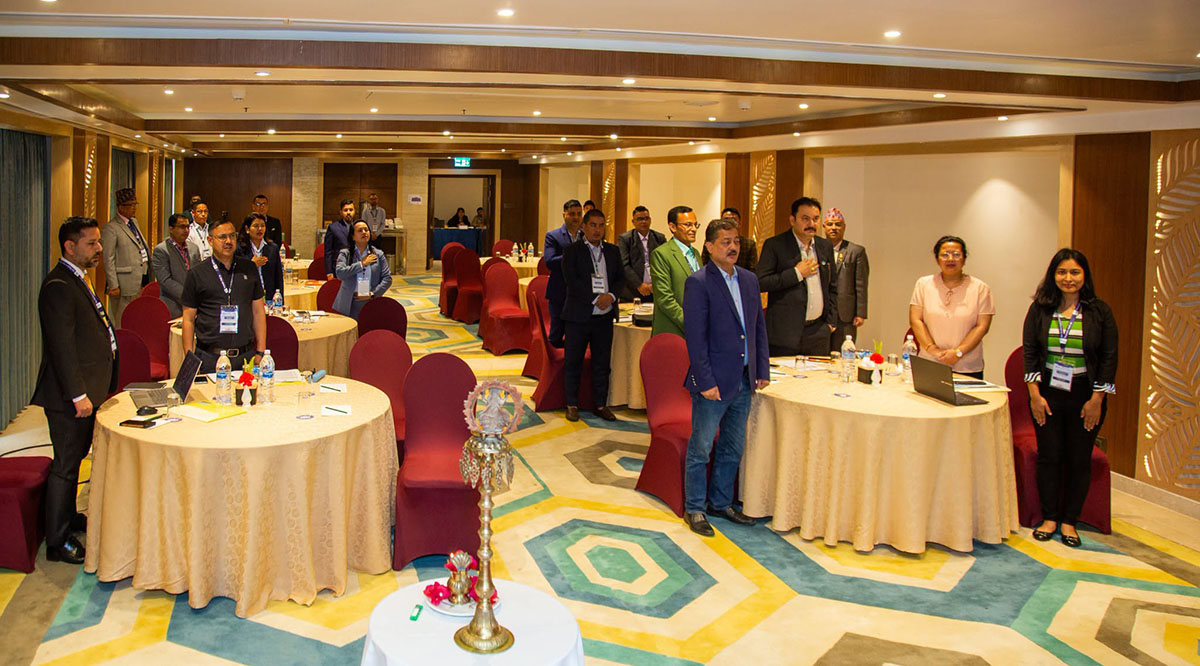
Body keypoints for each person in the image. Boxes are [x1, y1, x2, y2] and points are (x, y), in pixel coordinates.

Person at [31, 217, 120, 564]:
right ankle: (57, 541)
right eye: (91, 243)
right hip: (69, 396)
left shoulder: (77, 277)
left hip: (87, 390)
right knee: (66, 466)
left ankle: (68, 518)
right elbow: (61, 348)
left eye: (99, 242)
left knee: (75, 460)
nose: (99, 249)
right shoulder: (58, 285)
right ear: (70, 247)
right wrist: (78, 395)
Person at [1023, 249, 1117, 548]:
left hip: (1086, 395)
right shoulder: (1040, 309)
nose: (1068, 278)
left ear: (1084, 276)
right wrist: (1034, 395)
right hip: (1048, 392)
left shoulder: (1099, 312)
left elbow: (1109, 358)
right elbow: (1030, 353)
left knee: (1078, 458)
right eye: (1062, 272)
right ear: (1053, 275)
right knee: (1049, 456)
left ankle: (1069, 521)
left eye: (1075, 272)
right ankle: (1050, 518)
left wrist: (1097, 399)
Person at [682, 218, 769, 537]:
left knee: (732, 446)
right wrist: (705, 381)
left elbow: (758, 327)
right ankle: (695, 507)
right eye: (725, 242)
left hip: (744, 378)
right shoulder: (699, 282)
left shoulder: (748, 279)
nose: (733, 247)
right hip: (713, 382)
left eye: (736, 241)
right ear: (709, 247)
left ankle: (720, 502)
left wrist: (762, 369)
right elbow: (696, 338)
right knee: (701, 447)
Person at [561, 209, 624, 423]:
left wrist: (611, 296)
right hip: (578, 316)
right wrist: (595, 298)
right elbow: (572, 281)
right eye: (593, 225)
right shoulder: (572, 251)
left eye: (601, 225)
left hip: (604, 317)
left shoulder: (613, 251)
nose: (598, 230)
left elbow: (620, 279)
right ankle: (572, 404)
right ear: (584, 227)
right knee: (573, 362)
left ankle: (600, 404)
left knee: (602, 363)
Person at [181, 218, 267, 373]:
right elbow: (188, 319)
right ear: (210, 240)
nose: (228, 241)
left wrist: (260, 351)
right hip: (209, 357)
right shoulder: (197, 273)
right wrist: (190, 359)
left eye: (232, 236)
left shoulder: (249, 268)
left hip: (245, 356)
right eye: (222, 237)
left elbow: (258, 312)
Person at [757, 196, 838, 356]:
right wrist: (796, 273)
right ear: (792, 220)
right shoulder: (775, 245)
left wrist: (830, 322)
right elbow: (761, 282)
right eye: (805, 219)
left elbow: (833, 286)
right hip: (784, 335)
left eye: (815, 219)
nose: (811, 224)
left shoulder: (825, 246)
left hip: (818, 333)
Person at [909, 235, 994, 379]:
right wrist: (933, 350)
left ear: (964, 259)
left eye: (956, 254)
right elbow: (916, 320)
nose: (950, 259)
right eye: (945, 255)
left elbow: (982, 327)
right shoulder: (923, 284)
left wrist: (958, 353)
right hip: (930, 362)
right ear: (937, 259)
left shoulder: (980, 288)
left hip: (967, 366)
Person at [101, 187, 152, 326]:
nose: (134, 208)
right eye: (131, 205)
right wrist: (113, 285)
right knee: (122, 321)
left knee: (137, 319)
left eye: (135, 204)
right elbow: (108, 259)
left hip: (140, 278)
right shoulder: (111, 228)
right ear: (121, 207)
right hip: (123, 283)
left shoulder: (134, 222)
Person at [650, 205, 700, 337]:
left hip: (695, 331)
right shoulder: (661, 254)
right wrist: (691, 322)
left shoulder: (696, 253)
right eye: (688, 225)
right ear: (673, 227)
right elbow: (664, 298)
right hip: (672, 330)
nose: (694, 229)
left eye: (695, 225)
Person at [823, 207, 869, 346]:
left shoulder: (856, 251)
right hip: (823, 312)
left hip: (846, 314)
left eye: (838, 224)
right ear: (824, 227)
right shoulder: (817, 249)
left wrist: (861, 313)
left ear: (844, 227)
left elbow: (861, 284)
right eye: (830, 224)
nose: (834, 228)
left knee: (843, 351)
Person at [543, 199, 584, 347]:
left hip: (581, 294)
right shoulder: (553, 236)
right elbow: (550, 261)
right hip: (560, 293)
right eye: (572, 214)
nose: (576, 218)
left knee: (578, 337)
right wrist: (572, 255)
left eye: (579, 214)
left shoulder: (586, 236)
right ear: (564, 214)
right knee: (556, 336)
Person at [333, 220, 393, 318]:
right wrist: (361, 264)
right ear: (353, 236)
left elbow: (387, 278)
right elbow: (340, 273)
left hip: (370, 301)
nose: (364, 232)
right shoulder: (345, 253)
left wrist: (373, 294)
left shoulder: (378, 254)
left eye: (366, 230)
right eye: (360, 230)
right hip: (349, 303)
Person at [151, 212, 202, 318]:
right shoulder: (161, 250)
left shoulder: (193, 248)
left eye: (188, 227)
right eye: (182, 227)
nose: (186, 230)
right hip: (172, 305)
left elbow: (198, 274)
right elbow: (165, 280)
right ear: (171, 228)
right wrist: (187, 296)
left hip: (194, 304)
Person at [616, 205, 665, 302]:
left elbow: (664, 263)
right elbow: (624, 265)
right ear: (633, 222)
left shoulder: (659, 238)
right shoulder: (625, 239)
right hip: (632, 292)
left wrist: (655, 284)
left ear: (650, 220)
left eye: (646, 218)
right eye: (640, 219)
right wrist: (639, 285)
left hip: (655, 290)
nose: (643, 222)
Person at [235, 213, 284, 303]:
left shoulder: (272, 248)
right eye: (256, 226)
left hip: (269, 297)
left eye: (263, 226)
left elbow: (278, 277)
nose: (260, 229)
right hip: (247, 297)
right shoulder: (239, 249)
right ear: (247, 229)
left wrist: (280, 301)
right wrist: (252, 265)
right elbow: (235, 275)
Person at [324, 199, 355, 281]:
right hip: (338, 268)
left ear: (354, 211)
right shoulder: (333, 227)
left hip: (356, 267)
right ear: (341, 212)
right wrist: (329, 272)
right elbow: (328, 252)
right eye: (345, 210)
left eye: (351, 210)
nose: (348, 212)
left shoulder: (359, 226)